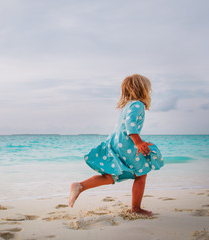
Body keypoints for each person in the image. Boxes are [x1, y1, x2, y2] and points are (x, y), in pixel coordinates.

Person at [69, 74, 164, 216]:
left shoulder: (127, 105)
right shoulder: (138, 105)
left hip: (116, 142)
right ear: (143, 89)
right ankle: (136, 209)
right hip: (127, 143)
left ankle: (80, 186)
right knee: (141, 174)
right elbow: (130, 124)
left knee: (110, 176)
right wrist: (138, 142)